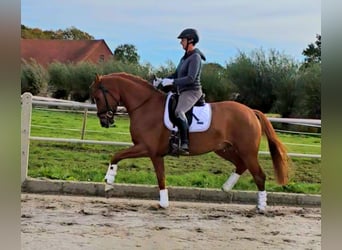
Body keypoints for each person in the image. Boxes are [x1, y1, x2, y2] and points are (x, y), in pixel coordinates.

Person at [158, 28, 206, 155]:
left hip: (192, 91)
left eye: (183, 40)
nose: (181, 43)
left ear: (190, 40)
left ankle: (184, 144)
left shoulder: (195, 57)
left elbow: (191, 78)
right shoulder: (185, 58)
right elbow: (176, 74)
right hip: (183, 91)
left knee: (179, 111)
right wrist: (163, 80)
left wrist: (173, 82)